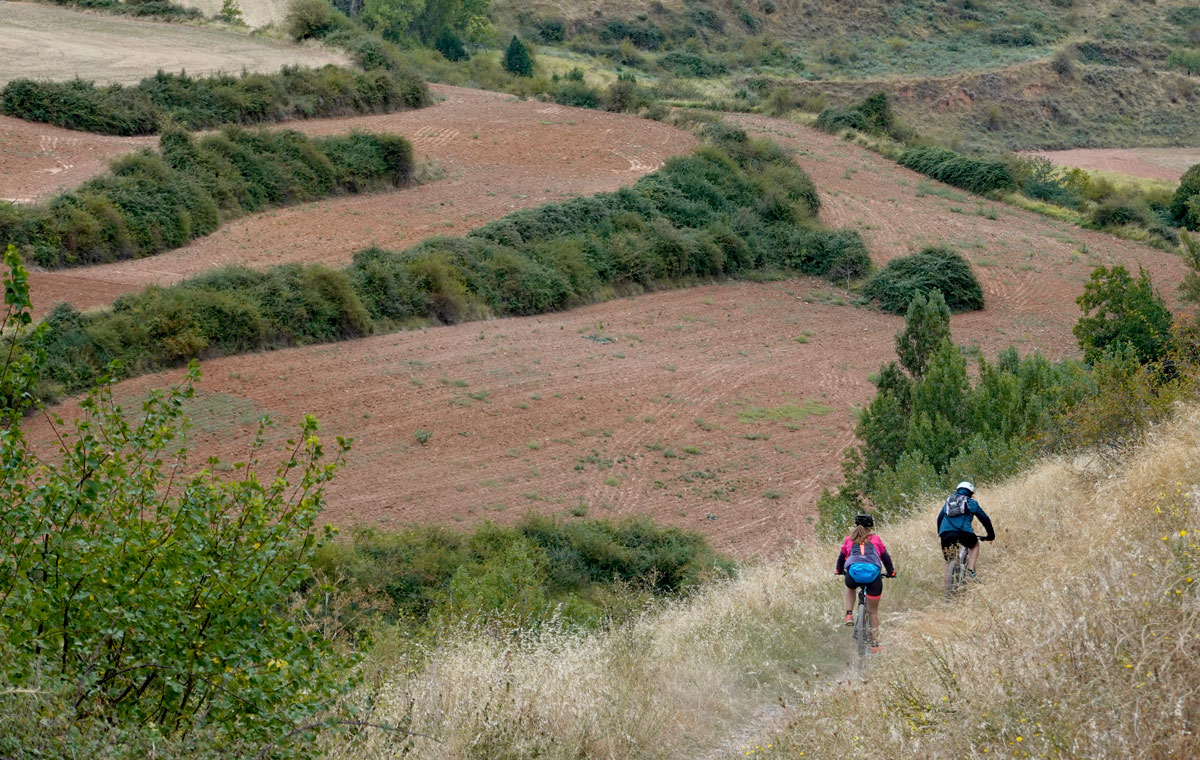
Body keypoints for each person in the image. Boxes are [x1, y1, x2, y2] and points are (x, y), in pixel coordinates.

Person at [835, 513, 896, 651]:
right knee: (873, 612)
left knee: (850, 586)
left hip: (853, 575)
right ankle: (874, 644)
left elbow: (841, 558)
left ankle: (849, 614)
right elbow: (886, 557)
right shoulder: (875, 539)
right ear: (870, 527)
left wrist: (839, 570)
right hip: (873, 577)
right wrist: (891, 572)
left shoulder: (849, 539)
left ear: (856, 526)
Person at [937, 481, 995, 580]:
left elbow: (939, 518)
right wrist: (990, 535)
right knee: (974, 545)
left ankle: (947, 593)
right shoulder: (971, 502)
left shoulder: (948, 502)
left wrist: (941, 533)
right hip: (964, 533)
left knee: (949, 561)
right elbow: (984, 519)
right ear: (971, 493)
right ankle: (970, 570)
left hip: (945, 534)